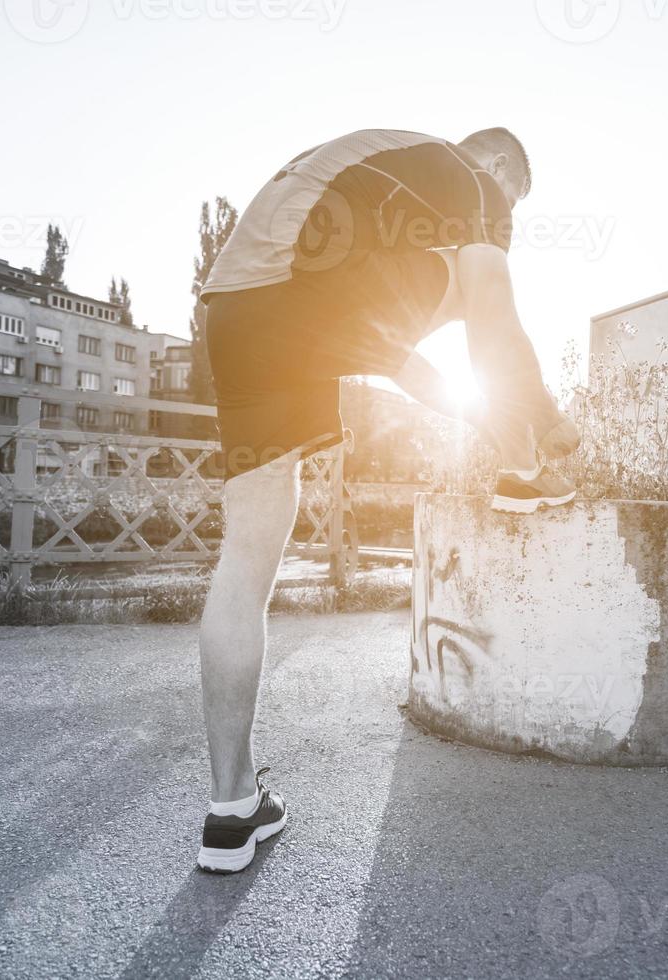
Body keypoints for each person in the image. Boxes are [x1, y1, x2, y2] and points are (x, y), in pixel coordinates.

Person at [193, 127, 579, 873]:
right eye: (516, 199)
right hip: (307, 294)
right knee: (481, 289)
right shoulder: (474, 181)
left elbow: (399, 360)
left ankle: (231, 811)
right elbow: (491, 314)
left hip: (235, 311)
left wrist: (493, 420)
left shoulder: (383, 183)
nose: (509, 218)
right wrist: (545, 422)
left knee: (245, 562)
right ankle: (524, 470)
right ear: (499, 166)